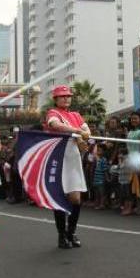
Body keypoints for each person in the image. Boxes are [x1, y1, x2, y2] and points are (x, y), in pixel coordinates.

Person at [44, 85, 90, 249]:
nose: (66, 98)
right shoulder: (53, 113)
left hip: (73, 158)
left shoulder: (76, 115)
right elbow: (55, 125)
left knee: (76, 199)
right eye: (62, 96)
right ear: (55, 99)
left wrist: (83, 136)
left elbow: (87, 130)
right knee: (60, 198)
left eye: (68, 96)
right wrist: (77, 132)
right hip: (58, 157)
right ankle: (62, 236)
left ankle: (71, 232)